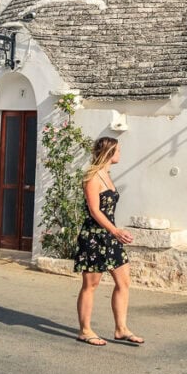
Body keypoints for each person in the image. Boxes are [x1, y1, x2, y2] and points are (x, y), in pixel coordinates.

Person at [72, 135, 145, 347]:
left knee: (124, 282)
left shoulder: (107, 175)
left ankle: (121, 329)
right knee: (90, 285)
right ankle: (85, 330)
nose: (120, 154)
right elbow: (94, 211)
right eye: (118, 150)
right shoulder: (92, 178)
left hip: (111, 236)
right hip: (94, 237)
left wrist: (115, 233)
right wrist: (115, 230)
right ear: (109, 152)